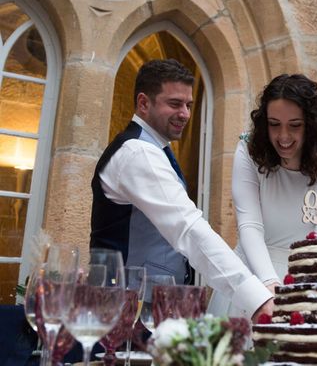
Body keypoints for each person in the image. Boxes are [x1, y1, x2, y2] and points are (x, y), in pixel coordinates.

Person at [90, 59, 273, 320]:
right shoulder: (137, 153)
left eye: (188, 105)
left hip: (148, 308)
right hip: (125, 312)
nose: (186, 113)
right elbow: (187, 227)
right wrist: (256, 298)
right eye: (175, 103)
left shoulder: (154, 150)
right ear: (144, 103)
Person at [208, 73, 317, 315]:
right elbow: (250, 224)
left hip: (304, 280)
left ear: (311, 125)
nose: (283, 137)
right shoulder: (249, 151)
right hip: (251, 278)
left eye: (294, 125)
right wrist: (268, 286)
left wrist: (298, 296)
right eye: (274, 124)